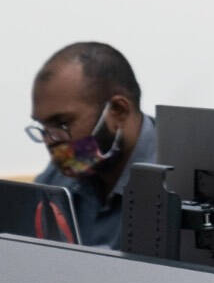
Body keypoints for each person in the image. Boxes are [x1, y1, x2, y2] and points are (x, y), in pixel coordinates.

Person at [27, 42, 156, 248]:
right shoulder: (66, 169)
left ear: (118, 111)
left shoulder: (178, 182)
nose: (50, 140)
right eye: (44, 127)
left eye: (62, 123)